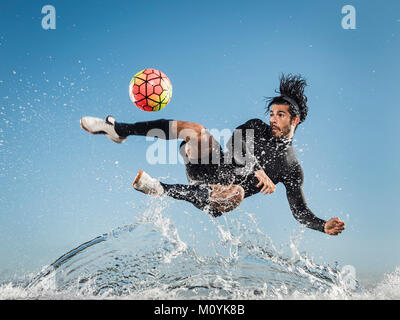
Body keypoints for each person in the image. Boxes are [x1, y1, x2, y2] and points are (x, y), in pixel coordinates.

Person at [80, 74, 345, 236]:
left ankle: (159, 188)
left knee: (237, 192)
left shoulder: (291, 167)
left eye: (281, 115)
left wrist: (322, 225)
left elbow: (299, 211)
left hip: (220, 197)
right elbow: (234, 140)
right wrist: (256, 168)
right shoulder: (255, 126)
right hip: (208, 166)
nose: (273, 119)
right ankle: (119, 129)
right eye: (272, 113)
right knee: (196, 131)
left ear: (295, 120)